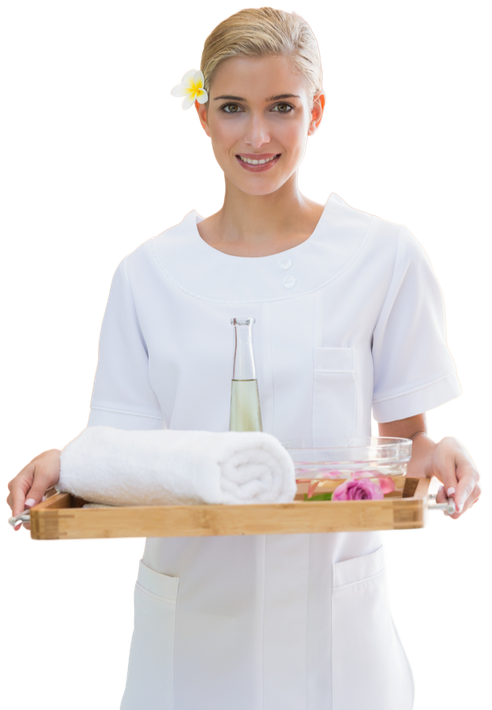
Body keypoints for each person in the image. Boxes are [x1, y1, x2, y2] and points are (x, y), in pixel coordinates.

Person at [6, 6, 483, 709]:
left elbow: (403, 442)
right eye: (232, 108)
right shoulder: (149, 273)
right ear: (202, 115)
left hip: (336, 637)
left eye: (281, 107)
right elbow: (119, 449)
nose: (257, 136)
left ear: (316, 112)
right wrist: (65, 463)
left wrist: (437, 451)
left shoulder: (383, 257)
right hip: (194, 633)